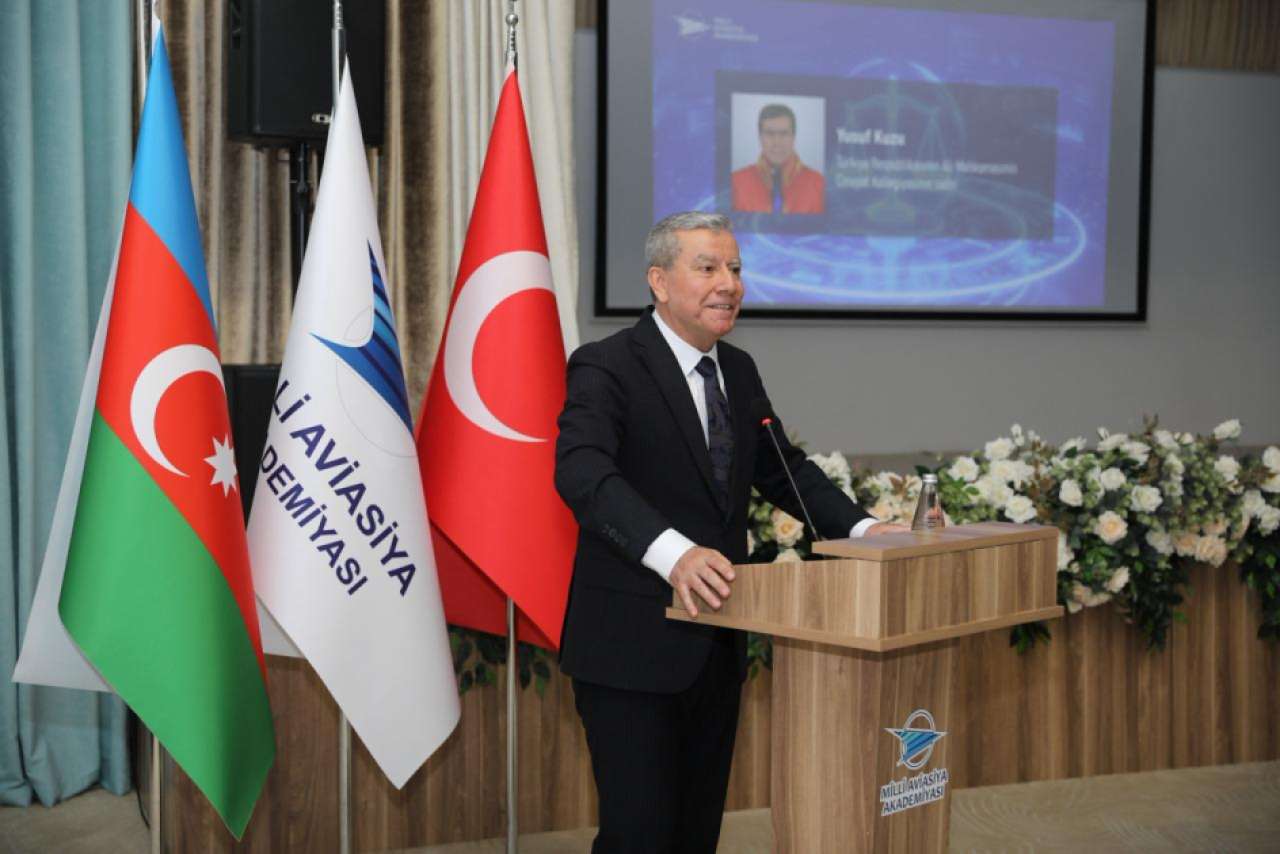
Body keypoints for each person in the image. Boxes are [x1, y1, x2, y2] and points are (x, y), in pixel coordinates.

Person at [554, 211, 903, 853]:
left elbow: (783, 471)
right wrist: (674, 553)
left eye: (736, 269)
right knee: (639, 836)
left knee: (697, 833)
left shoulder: (737, 371)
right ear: (660, 281)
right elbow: (583, 474)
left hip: (716, 644)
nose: (729, 284)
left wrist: (866, 529)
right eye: (708, 267)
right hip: (630, 647)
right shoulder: (607, 365)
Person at [731, 103, 825, 214]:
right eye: (770, 134)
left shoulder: (819, 185)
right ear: (760, 137)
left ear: (794, 137)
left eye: (784, 134)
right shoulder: (735, 183)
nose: (777, 142)